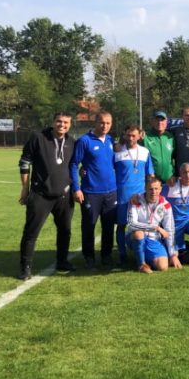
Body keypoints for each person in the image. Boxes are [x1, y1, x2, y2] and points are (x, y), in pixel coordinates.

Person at [17, 112, 76, 279]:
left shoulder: (71, 142)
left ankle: (62, 261)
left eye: (66, 122)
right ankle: (25, 267)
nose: (62, 125)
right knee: (31, 232)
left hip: (64, 195)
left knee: (65, 231)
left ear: (70, 125)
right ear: (53, 121)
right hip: (40, 194)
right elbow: (25, 161)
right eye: (59, 121)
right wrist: (25, 188)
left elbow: (73, 164)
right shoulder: (38, 137)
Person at [70, 111, 117, 269]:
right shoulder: (84, 140)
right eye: (102, 122)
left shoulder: (110, 140)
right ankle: (89, 257)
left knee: (108, 226)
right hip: (91, 192)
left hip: (111, 191)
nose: (105, 126)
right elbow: (74, 164)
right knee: (89, 226)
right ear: (95, 122)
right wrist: (76, 188)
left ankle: (106, 255)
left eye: (108, 123)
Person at [114, 124, 154, 265]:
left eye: (133, 135)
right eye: (128, 135)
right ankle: (122, 254)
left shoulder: (145, 152)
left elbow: (150, 174)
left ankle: (142, 254)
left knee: (143, 225)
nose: (131, 138)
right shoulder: (117, 152)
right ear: (124, 135)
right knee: (121, 225)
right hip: (122, 196)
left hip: (140, 196)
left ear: (139, 136)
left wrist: (151, 192)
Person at [127, 176, 182, 273]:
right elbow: (132, 224)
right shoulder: (135, 200)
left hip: (153, 239)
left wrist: (173, 254)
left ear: (161, 189)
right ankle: (141, 265)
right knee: (139, 233)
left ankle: (145, 257)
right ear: (145, 188)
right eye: (150, 189)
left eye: (156, 189)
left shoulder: (166, 205)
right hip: (134, 237)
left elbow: (169, 230)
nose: (154, 192)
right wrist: (156, 228)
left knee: (163, 267)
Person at [140, 110, 174, 183]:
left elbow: (175, 157)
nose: (159, 122)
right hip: (151, 181)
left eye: (162, 120)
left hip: (169, 181)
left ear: (166, 122)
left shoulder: (170, 137)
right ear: (152, 122)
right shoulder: (145, 137)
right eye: (157, 120)